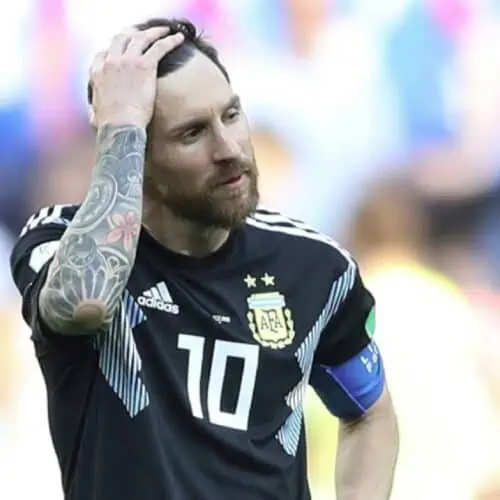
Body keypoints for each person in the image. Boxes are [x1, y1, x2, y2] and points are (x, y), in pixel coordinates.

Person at [9, 18, 398, 500]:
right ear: (136, 156)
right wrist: (122, 124)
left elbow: (368, 412)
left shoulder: (315, 268)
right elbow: (86, 303)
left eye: (231, 115)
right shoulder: (62, 241)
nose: (229, 149)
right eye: (192, 133)